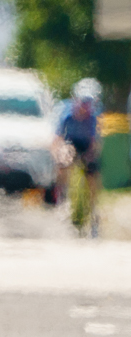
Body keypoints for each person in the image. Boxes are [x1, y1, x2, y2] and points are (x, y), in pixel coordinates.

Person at [55, 78, 103, 237]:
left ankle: (94, 214)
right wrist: (62, 152)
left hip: (85, 143)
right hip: (70, 142)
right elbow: (57, 139)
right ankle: (63, 200)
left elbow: (94, 142)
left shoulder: (94, 115)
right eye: (83, 101)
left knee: (93, 173)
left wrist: (90, 157)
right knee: (64, 159)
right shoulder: (65, 111)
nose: (86, 106)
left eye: (89, 102)